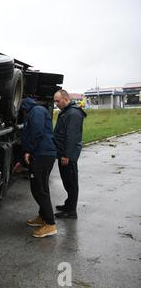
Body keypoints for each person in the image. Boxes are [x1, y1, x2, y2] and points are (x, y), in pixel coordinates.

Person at [21, 97, 58, 238]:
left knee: (39, 189)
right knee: (41, 187)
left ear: (24, 108)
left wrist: (29, 150)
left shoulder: (35, 111)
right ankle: (43, 217)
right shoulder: (37, 110)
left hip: (42, 154)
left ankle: (50, 224)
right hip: (43, 154)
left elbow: (36, 132)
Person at [53, 90, 87, 219]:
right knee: (67, 181)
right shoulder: (68, 111)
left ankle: (71, 211)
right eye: (55, 101)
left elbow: (72, 137)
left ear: (66, 99)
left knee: (71, 182)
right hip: (63, 153)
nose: (56, 104)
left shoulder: (73, 113)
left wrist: (66, 155)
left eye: (58, 101)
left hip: (68, 155)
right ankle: (68, 205)